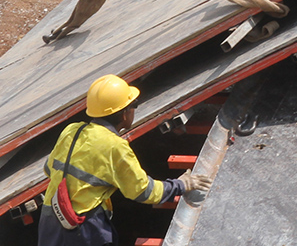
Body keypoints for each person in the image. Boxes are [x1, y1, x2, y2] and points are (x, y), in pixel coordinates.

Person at [37, 75, 213, 246]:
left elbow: (48, 169)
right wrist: (181, 184)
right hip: (84, 227)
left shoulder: (72, 130)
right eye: (133, 105)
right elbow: (144, 192)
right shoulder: (115, 146)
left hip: (50, 221)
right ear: (124, 114)